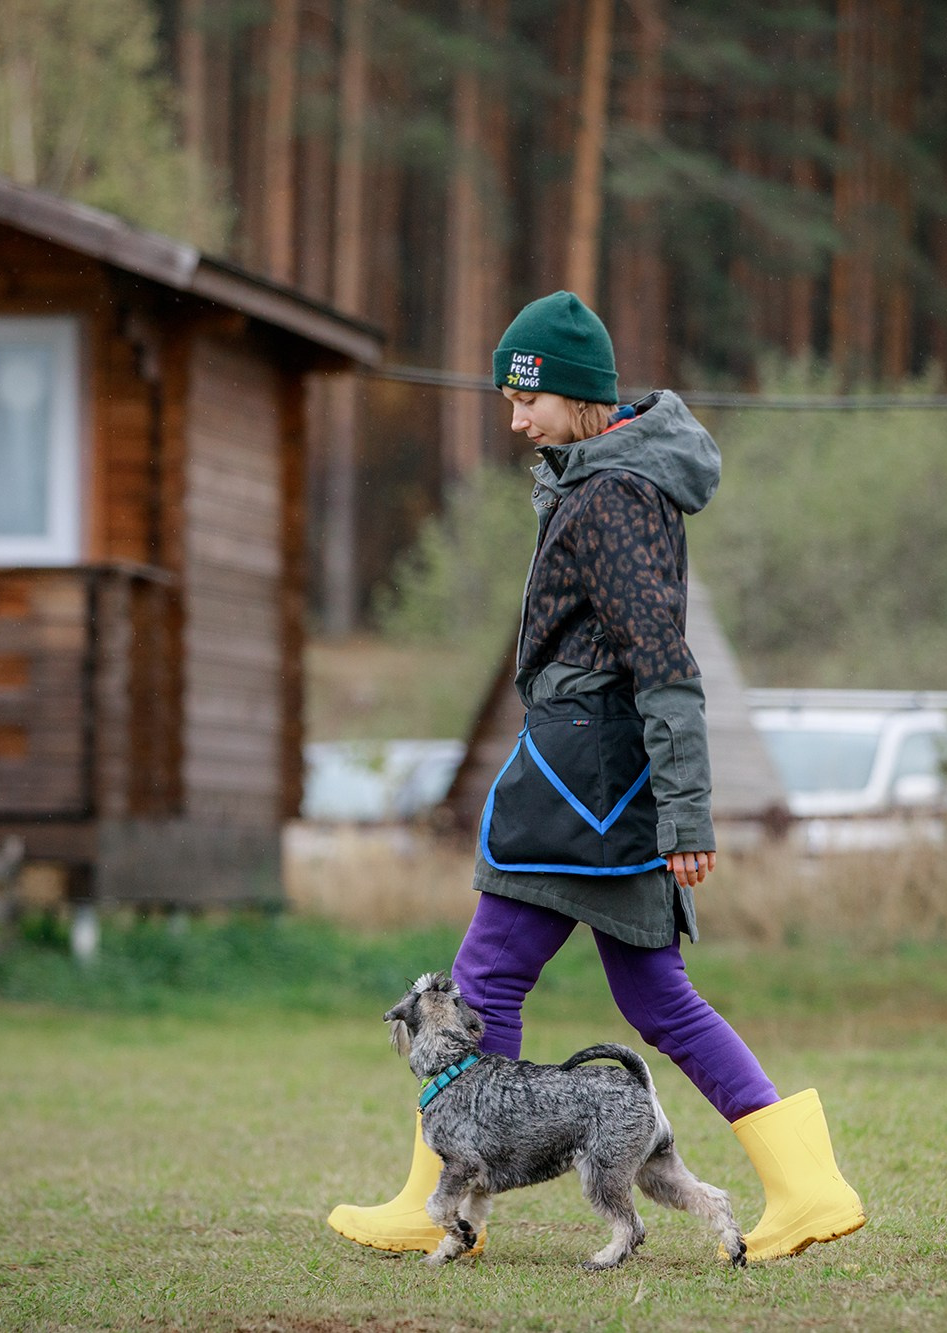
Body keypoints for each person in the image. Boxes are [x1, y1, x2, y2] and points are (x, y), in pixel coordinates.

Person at [327, 292, 864, 1261]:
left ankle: (436, 1205)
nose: (513, 419)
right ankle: (805, 1183)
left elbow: (662, 663)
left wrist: (687, 816)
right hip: (594, 785)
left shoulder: (612, 496)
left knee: (487, 976)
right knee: (655, 999)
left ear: (576, 395)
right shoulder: (600, 481)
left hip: (586, 795)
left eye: (525, 398)